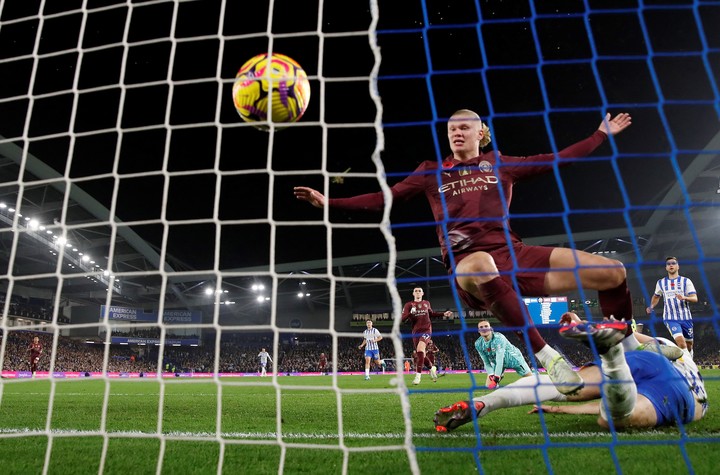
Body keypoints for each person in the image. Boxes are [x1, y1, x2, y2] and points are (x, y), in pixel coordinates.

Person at [295, 110, 633, 395]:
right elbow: (385, 197)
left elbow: (557, 160)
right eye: (452, 128)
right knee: (482, 263)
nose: (457, 132)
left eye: (464, 127)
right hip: (468, 268)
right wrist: (330, 202)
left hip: (513, 254)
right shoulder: (431, 171)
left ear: (481, 132)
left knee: (613, 271)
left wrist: (600, 134)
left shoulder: (499, 163)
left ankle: (629, 350)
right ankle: (548, 358)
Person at [434, 313, 705, 432]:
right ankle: (611, 356)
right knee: (614, 418)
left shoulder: (659, 345)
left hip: (650, 366)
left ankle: (483, 404)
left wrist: (559, 409)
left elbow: (634, 338)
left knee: (574, 387)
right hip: (682, 393)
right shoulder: (674, 352)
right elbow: (650, 344)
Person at [646, 256, 698, 355]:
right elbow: (656, 296)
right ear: (666, 267)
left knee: (689, 346)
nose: (671, 265)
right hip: (670, 318)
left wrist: (684, 298)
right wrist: (651, 306)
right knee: (681, 344)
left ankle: (690, 361)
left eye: (673, 263)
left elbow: (695, 298)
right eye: (668, 264)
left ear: (678, 266)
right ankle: (688, 367)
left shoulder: (686, 281)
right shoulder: (661, 283)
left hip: (686, 318)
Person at [401, 287, 453, 385]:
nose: (417, 292)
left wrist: (443, 314)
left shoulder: (426, 303)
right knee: (421, 354)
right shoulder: (409, 304)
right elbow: (403, 319)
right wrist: (410, 314)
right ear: (413, 293)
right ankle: (431, 367)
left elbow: (431, 314)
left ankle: (418, 377)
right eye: (416, 291)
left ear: (422, 293)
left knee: (420, 349)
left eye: (419, 291)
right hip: (415, 332)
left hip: (426, 329)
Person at [475, 320, 533, 389]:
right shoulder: (478, 344)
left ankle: (534, 374)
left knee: (532, 381)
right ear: (479, 331)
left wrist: (496, 378)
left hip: (513, 359)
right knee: (489, 386)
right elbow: (486, 362)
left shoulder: (498, 338)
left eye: (486, 326)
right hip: (497, 363)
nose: (484, 329)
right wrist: (491, 375)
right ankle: (500, 375)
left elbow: (500, 360)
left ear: (490, 329)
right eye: (481, 327)